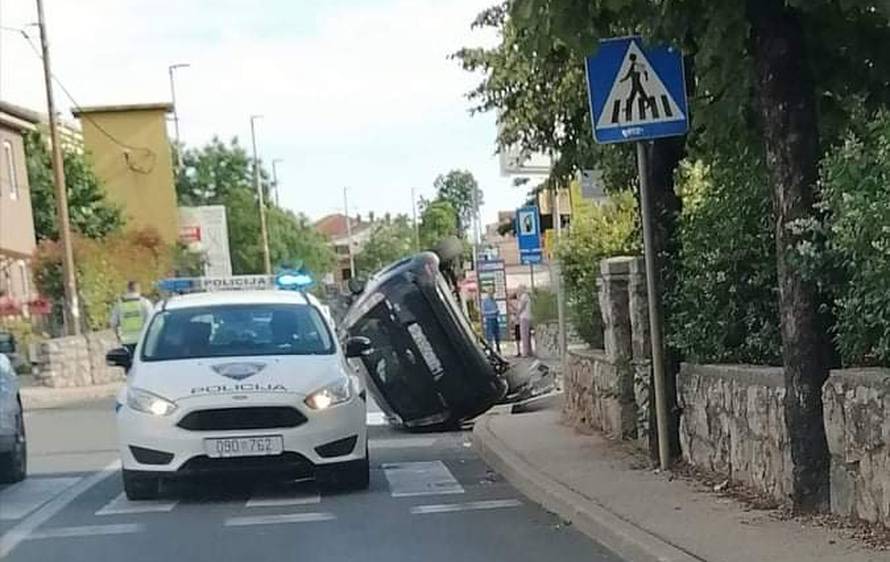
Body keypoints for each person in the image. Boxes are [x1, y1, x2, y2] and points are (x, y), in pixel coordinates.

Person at [109, 281, 154, 355]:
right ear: (139, 289)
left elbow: (113, 323)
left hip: (126, 341)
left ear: (128, 289)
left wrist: (118, 336)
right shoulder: (145, 303)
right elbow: (152, 321)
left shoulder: (119, 305)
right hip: (143, 340)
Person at [517, 285, 533, 357]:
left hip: (524, 317)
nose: (518, 290)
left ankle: (525, 352)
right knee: (527, 335)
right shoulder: (526, 296)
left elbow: (522, 307)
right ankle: (529, 351)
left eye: (519, 289)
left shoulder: (524, 296)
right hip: (527, 317)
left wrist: (517, 314)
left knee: (524, 335)